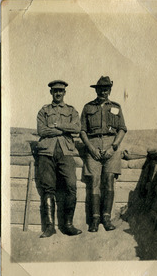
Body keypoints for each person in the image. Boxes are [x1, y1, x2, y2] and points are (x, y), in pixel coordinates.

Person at [80, 76, 127, 232]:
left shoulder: (116, 107)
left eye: (106, 89)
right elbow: (82, 131)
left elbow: (122, 129)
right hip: (93, 146)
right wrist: (91, 149)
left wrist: (113, 147)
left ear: (110, 90)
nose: (103, 91)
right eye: (100, 89)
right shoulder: (88, 107)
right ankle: (94, 220)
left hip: (111, 147)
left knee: (108, 180)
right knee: (94, 181)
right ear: (96, 90)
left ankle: (106, 218)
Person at [37, 80, 82, 238]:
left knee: (71, 185)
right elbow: (41, 130)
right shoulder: (44, 110)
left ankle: (68, 225)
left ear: (64, 93)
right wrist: (60, 131)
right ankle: (50, 227)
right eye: (55, 91)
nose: (57, 93)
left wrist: (59, 126)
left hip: (66, 152)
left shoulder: (71, 110)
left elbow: (77, 128)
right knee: (48, 188)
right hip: (46, 152)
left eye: (60, 91)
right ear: (51, 92)